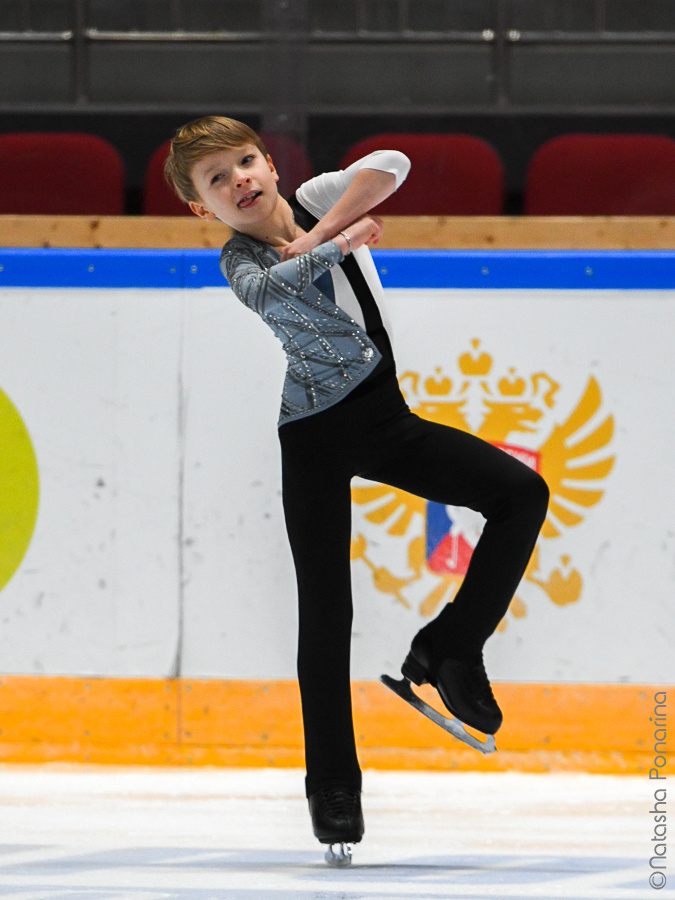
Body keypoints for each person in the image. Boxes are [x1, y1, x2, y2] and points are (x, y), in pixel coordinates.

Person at [165, 116, 550, 854]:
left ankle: (451, 648)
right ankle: (333, 788)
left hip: (383, 421)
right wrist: (335, 246)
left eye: (244, 162)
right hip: (312, 436)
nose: (238, 180)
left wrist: (321, 229)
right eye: (216, 180)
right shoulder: (237, 260)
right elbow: (271, 290)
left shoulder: (319, 199)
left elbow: (391, 162)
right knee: (325, 613)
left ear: (270, 164)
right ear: (200, 209)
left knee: (520, 494)